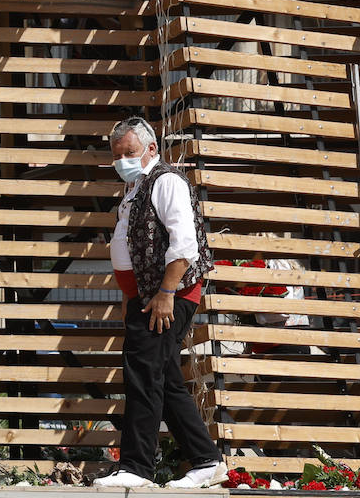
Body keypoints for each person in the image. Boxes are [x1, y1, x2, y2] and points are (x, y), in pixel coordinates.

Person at [92, 116, 224, 489]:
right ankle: (206, 461)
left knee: (143, 375)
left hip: (169, 294)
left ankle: (136, 467)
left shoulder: (165, 181)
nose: (122, 161)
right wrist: (131, 300)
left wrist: (166, 293)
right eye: (117, 156)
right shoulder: (136, 187)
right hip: (146, 297)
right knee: (162, 377)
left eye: (129, 153)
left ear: (151, 149)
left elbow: (184, 243)